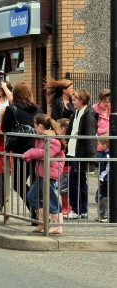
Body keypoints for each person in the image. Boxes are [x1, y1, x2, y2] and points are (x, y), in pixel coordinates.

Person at [1, 82, 42, 217]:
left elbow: (5, 129)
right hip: (38, 150)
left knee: (18, 183)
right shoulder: (38, 110)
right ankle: (37, 212)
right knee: (36, 182)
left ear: (16, 94)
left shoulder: (12, 109)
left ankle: (35, 209)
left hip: (22, 152)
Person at [23, 114, 66, 234]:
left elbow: (47, 153)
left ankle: (57, 224)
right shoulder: (42, 137)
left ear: (40, 126)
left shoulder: (53, 139)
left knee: (51, 199)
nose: (34, 128)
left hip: (50, 173)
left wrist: (30, 153)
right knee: (32, 196)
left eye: (35, 126)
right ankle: (43, 221)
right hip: (42, 172)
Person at [65, 89, 98, 219]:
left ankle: (77, 209)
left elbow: (90, 137)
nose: (72, 102)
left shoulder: (89, 115)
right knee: (80, 181)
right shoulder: (76, 112)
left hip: (81, 152)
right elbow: (70, 131)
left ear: (82, 100)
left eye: (75, 100)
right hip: (73, 151)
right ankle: (82, 209)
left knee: (74, 180)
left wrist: (92, 157)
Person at [96, 134, 110, 223]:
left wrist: (103, 178)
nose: (98, 146)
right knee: (101, 197)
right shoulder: (104, 155)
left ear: (104, 146)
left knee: (106, 198)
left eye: (99, 144)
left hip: (106, 180)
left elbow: (107, 169)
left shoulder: (107, 156)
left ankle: (107, 215)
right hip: (102, 179)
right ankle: (101, 214)